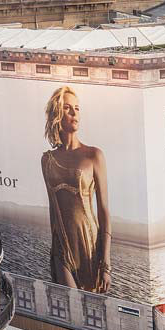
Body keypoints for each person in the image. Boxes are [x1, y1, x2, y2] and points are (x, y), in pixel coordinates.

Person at [42, 86, 112, 293]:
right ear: (56, 114)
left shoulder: (94, 155)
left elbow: (104, 211)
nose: (74, 113)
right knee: (72, 305)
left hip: (90, 244)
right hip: (62, 247)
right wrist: (54, 254)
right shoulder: (47, 160)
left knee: (91, 309)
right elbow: (53, 210)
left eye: (77, 108)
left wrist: (106, 263)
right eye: (67, 108)